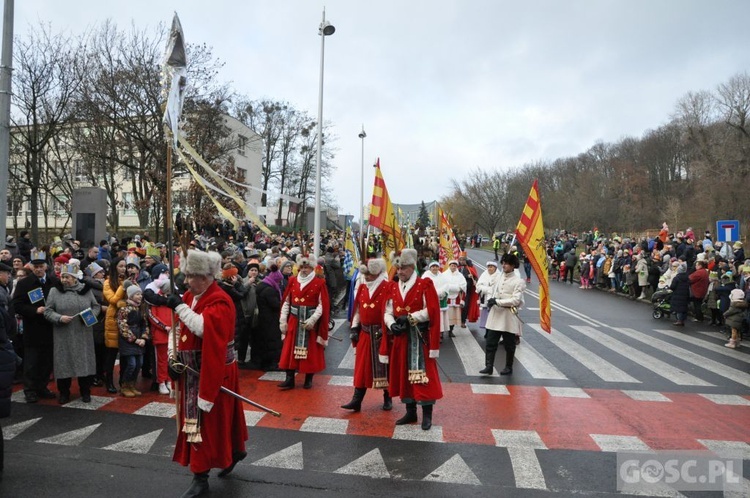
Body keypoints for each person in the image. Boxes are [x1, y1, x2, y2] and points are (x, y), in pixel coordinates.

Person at [167, 249, 248, 497]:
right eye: (188, 275)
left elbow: (203, 328)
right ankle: (233, 451)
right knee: (211, 422)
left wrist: (179, 307)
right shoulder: (191, 295)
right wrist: (172, 355)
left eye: (193, 276)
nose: (188, 280)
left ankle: (200, 477)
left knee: (208, 423)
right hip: (192, 369)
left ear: (207, 276)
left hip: (214, 371)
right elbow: (178, 328)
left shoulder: (220, 300)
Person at [381, 248, 442, 431]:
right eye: (398, 268)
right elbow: (387, 311)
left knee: (423, 377)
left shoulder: (425, 284)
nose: (400, 272)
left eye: (404, 268)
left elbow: (430, 311)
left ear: (413, 267)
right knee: (404, 375)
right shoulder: (393, 286)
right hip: (401, 338)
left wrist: (409, 318)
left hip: (418, 337)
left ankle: (427, 414)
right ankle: (410, 411)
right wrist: (391, 324)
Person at [43, 260, 100, 404]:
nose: (64, 280)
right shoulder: (55, 291)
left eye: (67, 277)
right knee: (64, 364)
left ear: (74, 277)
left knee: (84, 363)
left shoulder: (86, 290)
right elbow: (48, 311)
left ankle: (85, 391)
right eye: (62, 277)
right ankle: (64, 393)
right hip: (63, 334)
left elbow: (96, 306)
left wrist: (90, 316)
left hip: (83, 333)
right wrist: (59, 318)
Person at [342, 258, 392, 412]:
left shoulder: (387, 287)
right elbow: (357, 310)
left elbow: (390, 310)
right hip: (364, 333)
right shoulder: (362, 287)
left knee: (384, 366)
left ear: (377, 272)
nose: (367, 276)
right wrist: (354, 327)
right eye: (365, 273)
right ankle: (357, 400)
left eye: (370, 273)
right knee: (362, 367)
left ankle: (387, 397)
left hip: (381, 334)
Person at [12, 250, 59, 403]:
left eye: (41, 266)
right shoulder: (24, 283)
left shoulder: (53, 282)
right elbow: (17, 305)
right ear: (31, 267)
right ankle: (30, 390)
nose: (39, 269)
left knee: (46, 362)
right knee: (32, 362)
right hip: (33, 328)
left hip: (50, 328)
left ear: (46, 266)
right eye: (36, 266)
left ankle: (42, 387)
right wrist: (34, 310)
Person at [278, 255, 330, 390]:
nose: (304, 270)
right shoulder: (292, 280)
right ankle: (289, 379)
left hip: (310, 323)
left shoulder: (319, 282)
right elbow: (287, 302)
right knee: (289, 350)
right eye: (302, 267)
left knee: (310, 351)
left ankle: (308, 379)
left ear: (312, 267)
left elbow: (322, 305)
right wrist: (283, 320)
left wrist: (312, 320)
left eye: (306, 267)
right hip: (294, 321)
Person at [480, 253, 526, 375]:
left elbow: (516, 300)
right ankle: (489, 366)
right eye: (503, 263)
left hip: (508, 316)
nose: (504, 265)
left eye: (507, 263)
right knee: (490, 342)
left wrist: (498, 302)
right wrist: (490, 299)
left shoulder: (518, 281)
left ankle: (508, 367)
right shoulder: (498, 277)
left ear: (513, 266)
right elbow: (492, 290)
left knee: (509, 344)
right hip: (495, 315)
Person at [421, 261, 449, 341]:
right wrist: (434, 293)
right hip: (430, 300)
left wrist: (440, 293)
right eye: (433, 267)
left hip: (440, 300)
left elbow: (446, 286)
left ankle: (440, 334)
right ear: (430, 268)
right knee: (430, 318)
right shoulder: (425, 276)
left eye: (436, 266)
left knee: (440, 319)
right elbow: (424, 288)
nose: (435, 268)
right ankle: (430, 335)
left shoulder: (442, 276)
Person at [442, 260, 466, 337]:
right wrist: (455, 287)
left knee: (454, 316)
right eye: (452, 265)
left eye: (455, 266)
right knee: (444, 316)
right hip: (446, 298)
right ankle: (441, 332)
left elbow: (463, 286)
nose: (453, 267)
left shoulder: (460, 276)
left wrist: (452, 287)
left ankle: (451, 331)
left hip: (456, 298)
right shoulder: (444, 275)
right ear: (449, 266)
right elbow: (443, 285)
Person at [475, 260, 500, 330]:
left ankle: (492, 330)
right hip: (485, 298)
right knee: (486, 317)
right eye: (488, 267)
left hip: (494, 300)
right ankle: (486, 330)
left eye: (491, 267)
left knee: (493, 318)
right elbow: (478, 286)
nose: (489, 268)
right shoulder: (484, 274)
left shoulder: (499, 276)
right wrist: (486, 289)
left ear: (495, 268)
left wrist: (491, 290)